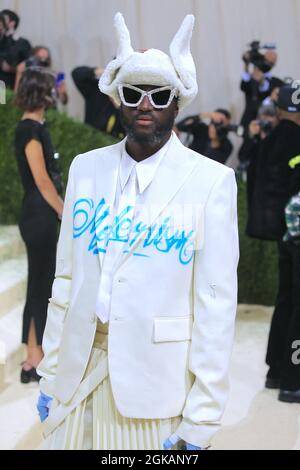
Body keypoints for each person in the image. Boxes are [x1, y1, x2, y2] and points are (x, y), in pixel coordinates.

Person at [36, 13, 239, 450]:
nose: (145, 104)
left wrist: (201, 419)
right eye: (133, 93)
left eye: (160, 95)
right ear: (116, 98)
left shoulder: (211, 182)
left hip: (155, 388)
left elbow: (215, 306)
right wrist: (50, 371)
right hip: (76, 376)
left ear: (177, 101)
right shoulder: (85, 170)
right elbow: (66, 281)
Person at [246, 85, 300, 402]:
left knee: (286, 299)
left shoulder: (269, 140)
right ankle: (294, 380)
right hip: (297, 233)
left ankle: (276, 372)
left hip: (284, 234)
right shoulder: (295, 139)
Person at [15, 68, 64, 383]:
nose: (55, 93)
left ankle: (34, 355)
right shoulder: (29, 130)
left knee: (42, 284)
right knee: (39, 287)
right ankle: (33, 358)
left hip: (41, 213)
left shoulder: (35, 127)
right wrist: (63, 210)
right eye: (50, 88)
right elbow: (42, 180)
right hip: (39, 214)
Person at [72, 65, 124, 138]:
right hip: (90, 139)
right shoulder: (97, 89)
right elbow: (77, 74)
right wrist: (97, 71)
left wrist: (118, 106)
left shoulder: (127, 99)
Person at [0, 9, 31, 89]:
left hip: (12, 85)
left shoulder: (22, 43)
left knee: (4, 100)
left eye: (3, 19)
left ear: (12, 23)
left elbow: (29, 64)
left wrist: (14, 69)